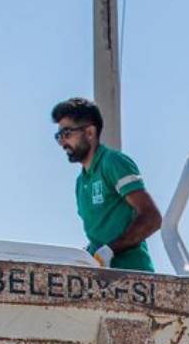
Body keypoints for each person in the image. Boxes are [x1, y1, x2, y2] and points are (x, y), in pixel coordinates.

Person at [51, 97, 161, 271]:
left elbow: (152, 218)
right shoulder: (81, 182)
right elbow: (99, 236)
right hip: (101, 280)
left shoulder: (113, 162)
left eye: (67, 134)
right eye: (58, 136)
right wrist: (86, 255)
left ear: (89, 132)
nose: (63, 142)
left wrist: (111, 250)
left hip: (133, 277)